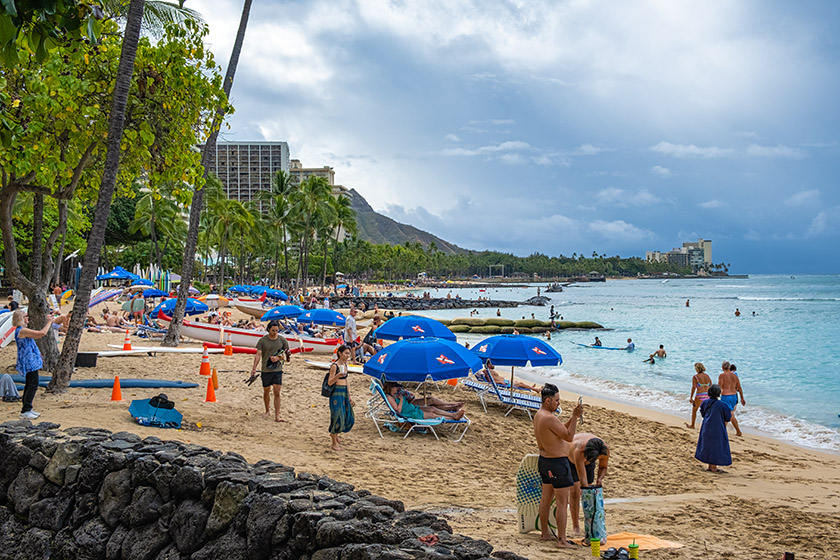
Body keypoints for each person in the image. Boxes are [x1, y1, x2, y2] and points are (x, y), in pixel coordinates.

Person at [533, 384, 584, 549]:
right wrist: (575, 417)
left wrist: (572, 417)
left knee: (546, 499)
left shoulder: (540, 415)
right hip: (557, 463)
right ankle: (562, 540)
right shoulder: (549, 417)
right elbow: (569, 437)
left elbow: (561, 430)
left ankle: (545, 533)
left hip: (545, 461)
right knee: (563, 502)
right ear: (547, 400)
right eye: (556, 400)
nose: (558, 403)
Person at [12, 310, 53, 419]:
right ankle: (25, 410)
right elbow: (41, 333)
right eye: (26, 316)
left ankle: (27, 408)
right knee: (32, 385)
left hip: (30, 360)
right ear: (21, 318)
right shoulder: (22, 331)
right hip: (29, 361)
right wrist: (49, 322)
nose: (28, 318)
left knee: (30, 384)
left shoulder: (21, 331)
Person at [568, 434, 610, 536]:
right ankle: (576, 526)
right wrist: (586, 489)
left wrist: (599, 479)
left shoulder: (604, 449)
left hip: (591, 456)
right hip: (571, 460)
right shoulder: (579, 450)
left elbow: (603, 467)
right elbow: (582, 479)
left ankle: (592, 524)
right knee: (575, 492)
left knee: (589, 494)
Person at [250, 321, 291, 423]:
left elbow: (287, 357)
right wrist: (254, 368)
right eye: (273, 330)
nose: (275, 332)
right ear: (268, 329)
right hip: (266, 369)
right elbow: (258, 354)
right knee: (266, 390)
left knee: (277, 392)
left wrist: (278, 358)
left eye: (277, 330)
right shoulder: (263, 341)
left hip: (277, 369)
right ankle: (267, 410)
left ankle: (277, 415)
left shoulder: (282, 340)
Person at [694, 384, 732, 473]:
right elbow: (728, 417)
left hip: (706, 426)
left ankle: (710, 466)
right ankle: (713, 467)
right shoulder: (722, 405)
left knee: (708, 445)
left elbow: (703, 414)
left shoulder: (705, 402)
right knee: (716, 446)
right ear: (719, 393)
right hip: (718, 427)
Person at [382, 382, 465, 420]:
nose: (397, 388)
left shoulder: (393, 395)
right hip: (410, 413)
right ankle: (452, 417)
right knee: (432, 415)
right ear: (391, 388)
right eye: (395, 387)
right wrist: (401, 400)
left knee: (432, 408)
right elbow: (398, 410)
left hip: (412, 408)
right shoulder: (390, 398)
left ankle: (453, 414)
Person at [327, 345, 355, 451]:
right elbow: (330, 382)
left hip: (343, 392)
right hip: (336, 393)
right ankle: (334, 442)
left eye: (348, 353)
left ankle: (335, 435)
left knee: (346, 415)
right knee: (337, 416)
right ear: (340, 353)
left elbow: (346, 381)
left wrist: (349, 395)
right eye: (346, 353)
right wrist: (337, 376)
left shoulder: (345, 365)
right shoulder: (335, 366)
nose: (348, 355)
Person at [718, 361, 745, 436]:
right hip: (734, 396)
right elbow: (739, 387)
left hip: (726, 397)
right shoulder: (734, 376)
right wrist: (742, 398)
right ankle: (722, 430)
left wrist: (716, 396)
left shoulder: (722, 375)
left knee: (730, 414)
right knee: (727, 413)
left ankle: (738, 431)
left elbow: (719, 387)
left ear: (723, 367)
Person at [394, 384, 463, 411]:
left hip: (410, 401)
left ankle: (451, 406)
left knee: (431, 401)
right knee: (431, 400)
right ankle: (451, 405)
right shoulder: (394, 392)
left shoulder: (395, 389)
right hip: (410, 404)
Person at [685, 362, 712, 429]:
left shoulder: (695, 377)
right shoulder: (707, 376)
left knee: (694, 410)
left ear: (697, 369)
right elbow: (711, 386)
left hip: (700, 395)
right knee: (707, 411)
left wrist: (691, 397)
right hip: (708, 395)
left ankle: (692, 425)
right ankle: (707, 426)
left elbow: (694, 387)